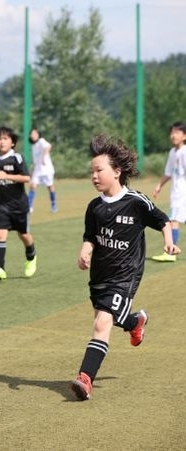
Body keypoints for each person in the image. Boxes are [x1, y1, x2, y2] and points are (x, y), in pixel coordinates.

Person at [70, 134, 179, 401]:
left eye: (99, 170)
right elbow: (90, 236)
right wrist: (85, 250)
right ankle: (136, 322)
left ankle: (85, 378)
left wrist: (168, 241)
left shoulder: (135, 202)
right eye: (92, 171)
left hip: (126, 274)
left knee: (102, 323)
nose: (94, 176)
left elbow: (162, 219)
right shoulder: (94, 207)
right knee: (113, 316)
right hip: (100, 275)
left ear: (117, 171)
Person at [0, 126, 37, 280]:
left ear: (12, 142)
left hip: (20, 205)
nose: (2, 142)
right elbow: (1, 177)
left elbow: (27, 178)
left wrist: (7, 175)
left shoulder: (17, 158)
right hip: (3, 205)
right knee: (0, 234)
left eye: (5, 139)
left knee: (24, 235)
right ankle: (0, 268)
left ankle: (31, 257)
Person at [151, 121, 186, 262]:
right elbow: (169, 172)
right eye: (172, 132)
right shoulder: (173, 152)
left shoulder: (184, 152)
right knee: (174, 220)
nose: (173, 135)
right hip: (176, 192)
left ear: (184, 136)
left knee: (173, 221)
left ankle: (170, 253)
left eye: (177, 132)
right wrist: (159, 186)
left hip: (182, 193)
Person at [27, 127, 57, 213]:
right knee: (32, 186)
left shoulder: (41, 141)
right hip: (37, 170)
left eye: (34, 134)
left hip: (46, 169)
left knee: (50, 187)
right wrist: (33, 169)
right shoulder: (33, 145)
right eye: (31, 134)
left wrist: (44, 156)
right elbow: (35, 159)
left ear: (38, 135)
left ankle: (54, 204)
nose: (32, 135)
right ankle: (29, 206)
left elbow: (48, 146)